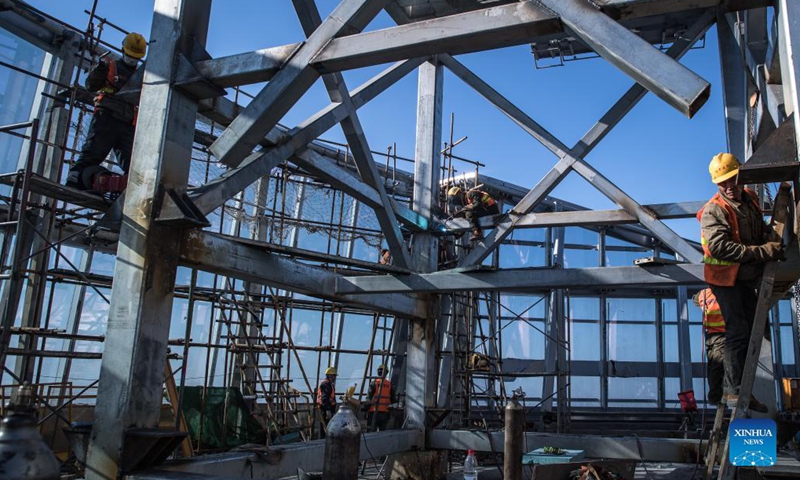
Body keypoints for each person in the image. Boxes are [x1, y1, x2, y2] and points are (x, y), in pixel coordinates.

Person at [697, 152, 783, 413]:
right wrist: (762, 252)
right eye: (722, 183)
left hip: (744, 277)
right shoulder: (715, 210)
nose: (728, 187)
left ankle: (742, 388)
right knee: (737, 332)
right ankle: (734, 393)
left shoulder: (751, 200)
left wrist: (771, 235)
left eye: (731, 180)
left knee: (754, 330)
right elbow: (719, 246)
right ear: (716, 184)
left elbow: (757, 231)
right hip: (725, 280)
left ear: (739, 175)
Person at [66, 32, 147, 191]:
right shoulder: (111, 66)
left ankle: (132, 192)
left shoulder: (141, 75)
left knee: (133, 162)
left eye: (136, 57)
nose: (132, 59)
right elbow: (91, 85)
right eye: (131, 55)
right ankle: (74, 180)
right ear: (123, 50)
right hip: (107, 116)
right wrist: (100, 69)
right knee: (94, 151)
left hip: (128, 121)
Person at [692, 288, 725, 406]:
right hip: (722, 334)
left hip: (710, 335)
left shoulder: (704, 293)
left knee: (713, 365)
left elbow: (695, 300)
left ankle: (716, 394)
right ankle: (716, 396)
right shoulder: (726, 293)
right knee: (718, 366)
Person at [367, 364, 395, 431]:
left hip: (373, 412)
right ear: (386, 373)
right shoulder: (389, 384)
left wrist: (366, 409)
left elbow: (369, 398)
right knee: (382, 433)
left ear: (378, 372)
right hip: (385, 412)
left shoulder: (374, 383)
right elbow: (393, 400)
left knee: (371, 433)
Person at [316, 366, 337, 436]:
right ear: (329, 376)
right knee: (325, 428)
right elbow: (324, 399)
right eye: (333, 376)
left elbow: (330, 397)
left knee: (327, 428)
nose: (335, 377)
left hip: (327, 408)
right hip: (325, 409)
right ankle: (323, 443)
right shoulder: (326, 384)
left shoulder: (330, 384)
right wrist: (328, 410)